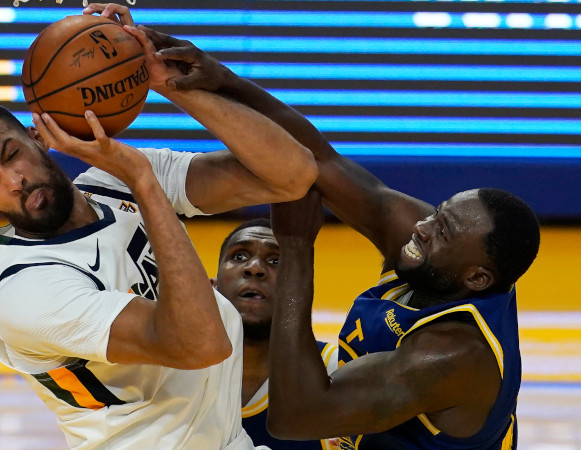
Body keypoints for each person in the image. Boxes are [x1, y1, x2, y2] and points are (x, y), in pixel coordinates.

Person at [0, 4, 317, 449]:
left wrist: (166, 82)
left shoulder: (111, 182)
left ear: (38, 137)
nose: (14, 181)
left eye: (11, 155)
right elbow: (200, 345)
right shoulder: (28, 292)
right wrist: (144, 182)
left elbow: (291, 174)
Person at [140, 28, 540, 449]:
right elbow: (320, 162)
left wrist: (296, 248)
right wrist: (222, 82)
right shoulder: (433, 252)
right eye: (437, 213)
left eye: (442, 231)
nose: (422, 228)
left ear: (476, 278)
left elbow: (296, 417)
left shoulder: (453, 354)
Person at [212, 218, 340, 450]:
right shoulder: (165, 374)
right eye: (239, 256)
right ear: (213, 286)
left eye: (275, 261)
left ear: (299, 290)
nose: (255, 268)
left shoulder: (337, 373)